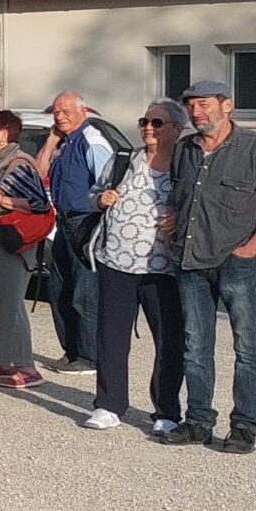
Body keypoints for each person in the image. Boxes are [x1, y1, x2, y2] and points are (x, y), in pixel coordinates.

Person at [161, 79, 256, 454]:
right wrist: (169, 227)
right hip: (189, 261)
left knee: (247, 346)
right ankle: (198, 421)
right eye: (191, 107)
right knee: (195, 346)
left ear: (226, 105)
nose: (196, 112)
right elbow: (176, 195)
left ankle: (244, 426)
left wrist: (251, 248)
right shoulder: (185, 148)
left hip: (236, 261)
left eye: (204, 105)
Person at [89, 99, 185, 432]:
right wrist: (101, 199)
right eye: (145, 121)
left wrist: (179, 216)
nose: (148, 127)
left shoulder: (185, 166)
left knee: (169, 340)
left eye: (157, 123)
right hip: (116, 260)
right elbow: (95, 193)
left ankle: (167, 411)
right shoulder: (123, 160)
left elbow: (198, 207)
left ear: (177, 129)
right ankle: (109, 405)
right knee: (111, 336)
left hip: (163, 266)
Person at [0, 109, 52, 388]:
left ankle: (26, 366)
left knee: (9, 303)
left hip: (8, 243)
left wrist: (1, 199)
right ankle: (3, 361)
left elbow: (39, 203)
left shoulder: (19, 164)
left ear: (3, 135)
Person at [37, 91, 115, 375]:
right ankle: (71, 352)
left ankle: (90, 357)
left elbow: (107, 182)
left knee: (84, 291)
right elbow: (39, 172)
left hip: (85, 222)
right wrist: (50, 140)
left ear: (82, 111)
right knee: (59, 288)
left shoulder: (92, 141)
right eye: (56, 111)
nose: (60, 116)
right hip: (63, 221)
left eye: (66, 110)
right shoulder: (63, 142)